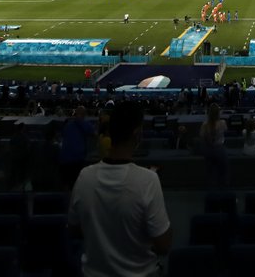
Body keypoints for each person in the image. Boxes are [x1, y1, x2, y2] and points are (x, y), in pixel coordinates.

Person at [68, 102, 171, 277]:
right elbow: (163, 245)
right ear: (137, 134)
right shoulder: (148, 180)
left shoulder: (84, 177)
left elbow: (74, 229)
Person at [60, 105, 96, 191]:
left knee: (66, 186)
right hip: (76, 161)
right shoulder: (86, 125)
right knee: (76, 186)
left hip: (65, 161)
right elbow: (94, 134)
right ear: (84, 115)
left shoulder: (67, 126)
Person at [197, 102, 228, 187]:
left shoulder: (204, 124)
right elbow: (225, 130)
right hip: (220, 149)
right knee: (222, 171)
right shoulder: (223, 123)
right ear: (218, 112)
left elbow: (201, 137)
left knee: (210, 171)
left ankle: (211, 189)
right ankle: (222, 189)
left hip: (208, 150)